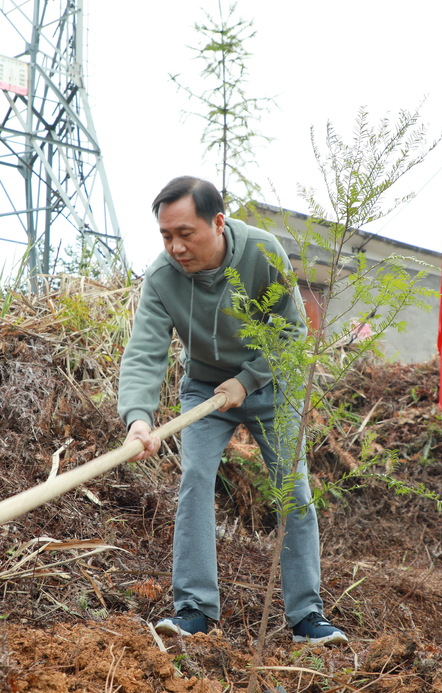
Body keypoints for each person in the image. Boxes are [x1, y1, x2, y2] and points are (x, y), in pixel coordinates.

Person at [117, 176, 348, 646]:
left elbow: (291, 332)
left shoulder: (262, 254)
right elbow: (145, 352)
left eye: (186, 233)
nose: (176, 247)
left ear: (218, 222)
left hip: (270, 382)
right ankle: (195, 611)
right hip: (205, 387)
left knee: (293, 489)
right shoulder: (163, 277)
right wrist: (138, 417)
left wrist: (247, 381)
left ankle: (307, 616)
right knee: (195, 481)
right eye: (166, 236)